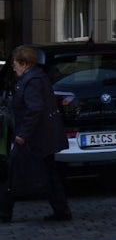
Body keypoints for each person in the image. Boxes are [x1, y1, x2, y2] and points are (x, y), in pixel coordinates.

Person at [0, 45, 71, 223]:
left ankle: (4, 212)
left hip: (35, 136)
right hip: (40, 135)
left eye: (15, 64)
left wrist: (22, 135)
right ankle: (61, 210)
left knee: (13, 171)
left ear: (24, 64)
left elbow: (34, 109)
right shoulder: (36, 77)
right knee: (48, 173)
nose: (13, 68)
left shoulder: (31, 81)